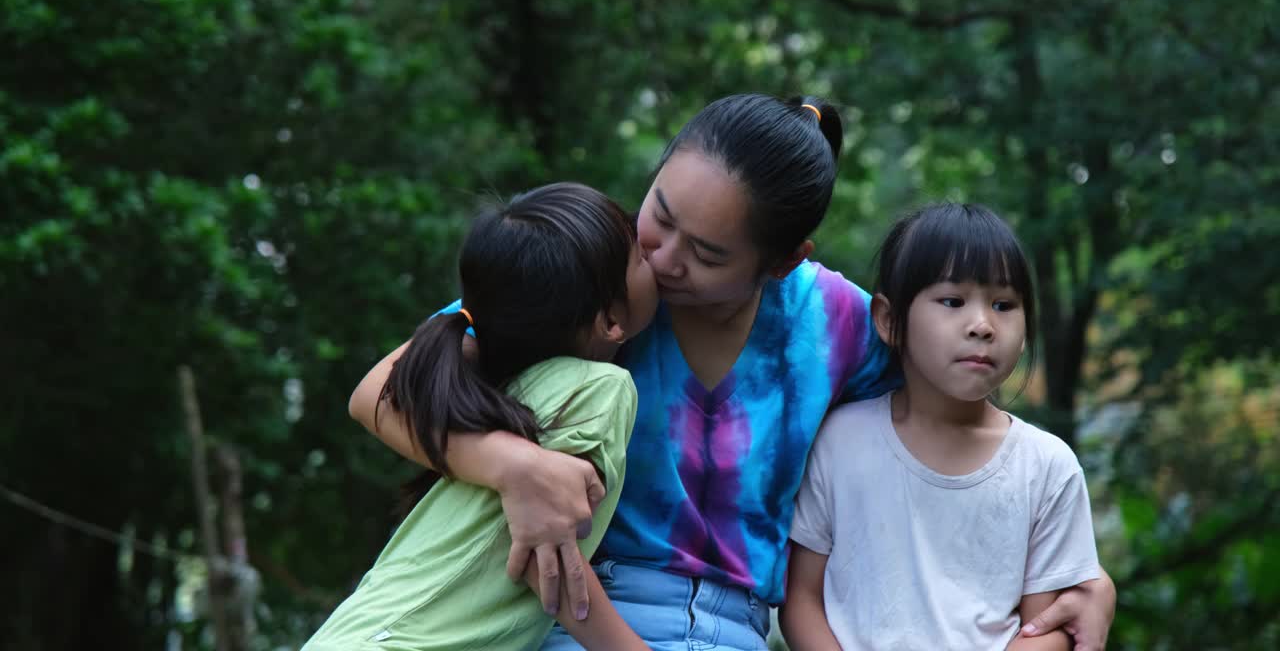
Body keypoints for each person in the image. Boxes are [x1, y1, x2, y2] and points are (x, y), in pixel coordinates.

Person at [349, 94, 1117, 650]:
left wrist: (1078, 583)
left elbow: (955, 434)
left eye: (707, 254)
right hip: (580, 619)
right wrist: (512, 465)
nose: (662, 256)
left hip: (744, 629)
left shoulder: (842, 326)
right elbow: (382, 390)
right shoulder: (589, 276)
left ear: (783, 262)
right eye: (660, 212)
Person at [304, 183, 658, 651]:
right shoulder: (600, 388)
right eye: (639, 257)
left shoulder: (492, 385)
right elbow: (547, 557)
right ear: (611, 319)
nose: (655, 258)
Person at [781, 203, 1100, 650]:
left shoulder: (1047, 467)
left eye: (1004, 305)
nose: (983, 325)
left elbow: (1044, 631)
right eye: (953, 301)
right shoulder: (839, 441)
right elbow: (801, 601)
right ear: (889, 321)